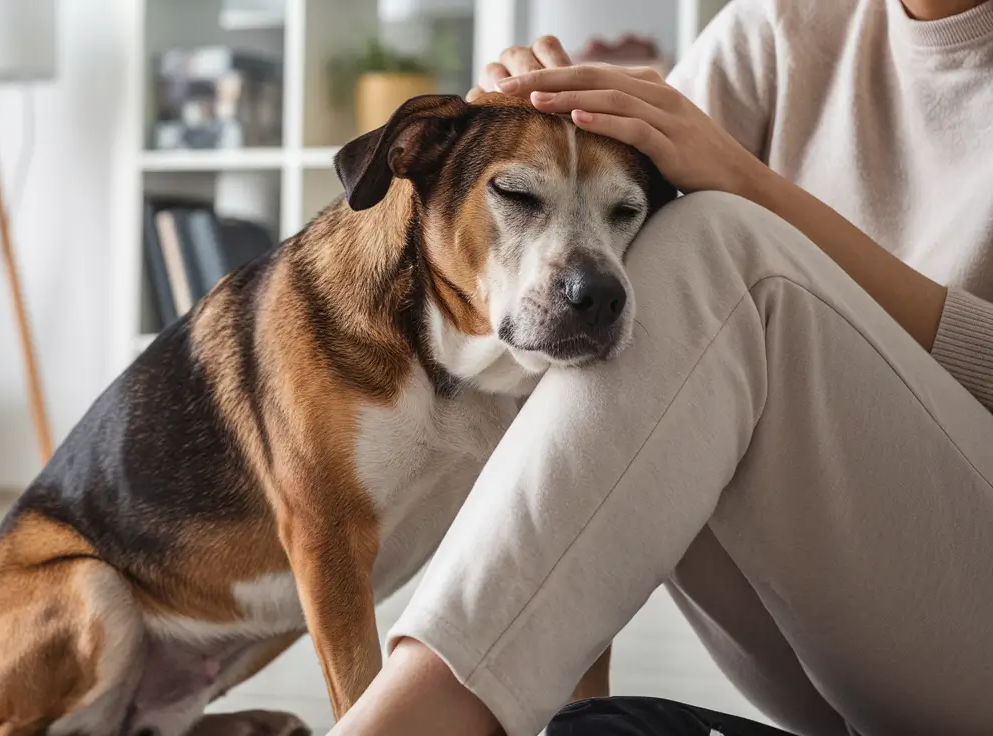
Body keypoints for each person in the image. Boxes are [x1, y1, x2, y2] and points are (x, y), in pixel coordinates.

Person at [328, 0, 993, 734]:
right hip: (812, 644)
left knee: (714, 239)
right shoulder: (779, 27)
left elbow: (723, 242)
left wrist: (753, 184)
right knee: (636, 260)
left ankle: (412, 718)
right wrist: (547, 110)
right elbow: (605, 190)